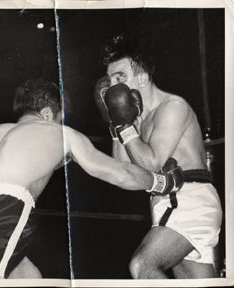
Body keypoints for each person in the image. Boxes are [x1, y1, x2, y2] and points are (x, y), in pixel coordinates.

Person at [0, 78, 183, 280]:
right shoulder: (59, 133)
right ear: (49, 114)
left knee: (28, 277)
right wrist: (161, 183)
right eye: (60, 117)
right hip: (0, 216)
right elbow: (117, 172)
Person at [95, 35, 223, 279]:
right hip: (167, 203)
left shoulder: (172, 107)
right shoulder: (137, 118)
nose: (112, 86)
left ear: (142, 77)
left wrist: (126, 127)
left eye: (120, 77)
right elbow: (124, 168)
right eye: (110, 79)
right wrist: (116, 123)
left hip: (188, 200)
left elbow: (152, 164)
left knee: (142, 266)